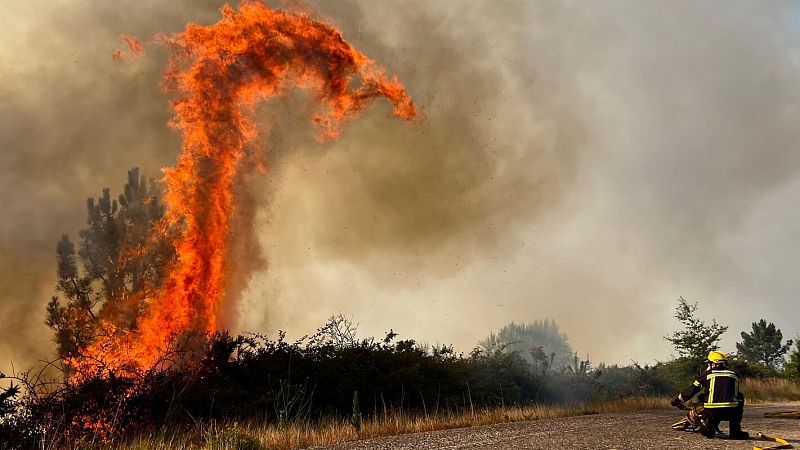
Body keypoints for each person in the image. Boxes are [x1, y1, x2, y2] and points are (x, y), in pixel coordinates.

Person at [670, 350, 749, 440]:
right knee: (740, 397)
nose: (708, 366)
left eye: (709, 363)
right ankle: (735, 430)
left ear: (714, 364)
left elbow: (692, 390)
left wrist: (677, 400)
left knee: (703, 398)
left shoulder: (707, 375)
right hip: (730, 412)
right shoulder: (734, 374)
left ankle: (706, 426)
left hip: (712, 412)